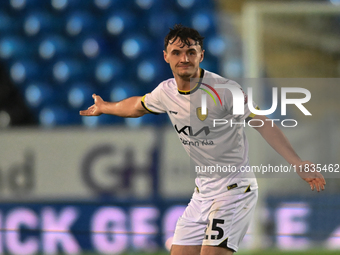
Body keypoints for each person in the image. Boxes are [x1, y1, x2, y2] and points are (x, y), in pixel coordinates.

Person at [80, 24, 326, 255]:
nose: (184, 59)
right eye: (177, 53)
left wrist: (297, 162)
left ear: (201, 55)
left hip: (235, 190)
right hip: (202, 193)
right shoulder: (165, 92)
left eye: (190, 52)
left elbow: (262, 122)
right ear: (166, 56)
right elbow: (137, 106)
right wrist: (106, 107)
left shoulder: (224, 90)